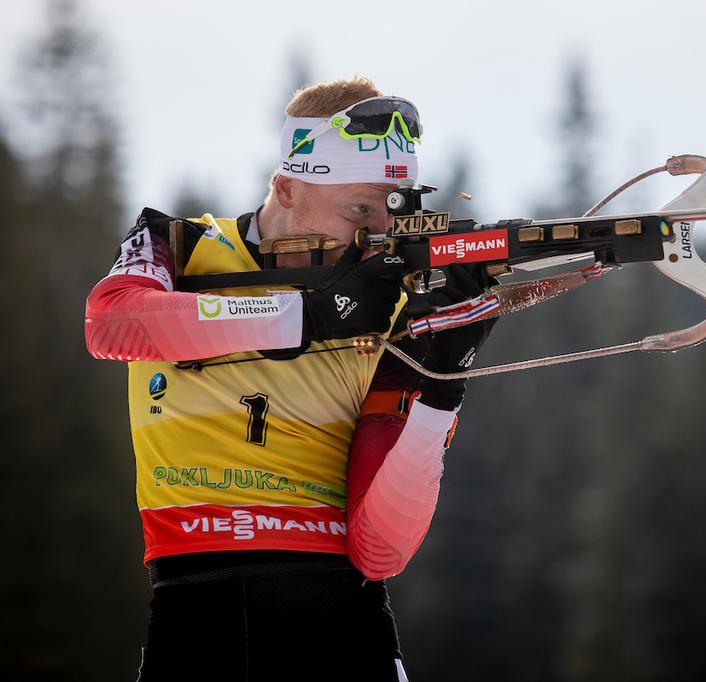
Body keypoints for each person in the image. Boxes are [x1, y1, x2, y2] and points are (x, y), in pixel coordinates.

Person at [84, 76, 494, 681]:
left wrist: (441, 392)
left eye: (394, 213)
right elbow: (112, 323)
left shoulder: (395, 304)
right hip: (193, 613)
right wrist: (309, 315)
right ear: (287, 187)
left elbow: (380, 549)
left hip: (339, 620)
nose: (375, 234)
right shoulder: (180, 247)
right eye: (358, 209)